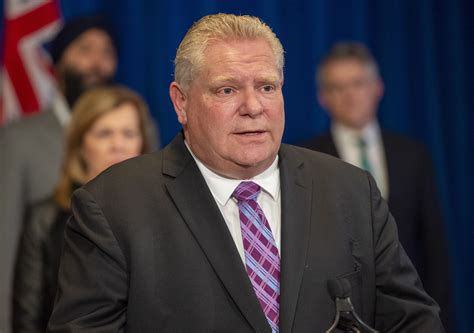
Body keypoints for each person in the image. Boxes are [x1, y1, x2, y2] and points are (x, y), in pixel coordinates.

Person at [48, 14, 444, 332]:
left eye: (267, 87)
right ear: (181, 103)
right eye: (227, 90)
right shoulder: (112, 207)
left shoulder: (350, 189)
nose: (253, 106)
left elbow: (414, 320)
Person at [0, 16, 159, 332]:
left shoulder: (156, 204)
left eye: (106, 53)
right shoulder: (19, 139)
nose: (97, 63)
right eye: (85, 50)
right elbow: (7, 246)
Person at [299, 42, 452, 330]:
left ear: (377, 87)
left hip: (409, 311)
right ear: (323, 97)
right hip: (338, 316)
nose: (349, 95)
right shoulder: (306, 160)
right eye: (337, 87)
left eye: (357, 83)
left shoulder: (413, 154)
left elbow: (433, 243)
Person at [12, 85, 153, 332]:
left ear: (142, 143)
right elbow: (28, 314)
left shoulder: (163, 210)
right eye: (104, 134)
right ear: (80, 144)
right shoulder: (46, 217)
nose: (117, 145)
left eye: (129, 133)